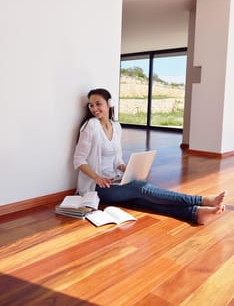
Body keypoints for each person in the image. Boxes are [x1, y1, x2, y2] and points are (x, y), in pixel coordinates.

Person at [73, 88, 227, 225]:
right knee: (141, 188)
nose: (94, 108)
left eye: (98, 104)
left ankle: (195, 213)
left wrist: (125, 168)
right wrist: (97, 177)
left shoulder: (116, 126)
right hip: (97, 188)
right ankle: (201, 200)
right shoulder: (91, 126)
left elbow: (117, 159)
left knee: (144, 199)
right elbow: (79, 160)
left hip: (114, 180)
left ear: (109, 104)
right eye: (91, 105)